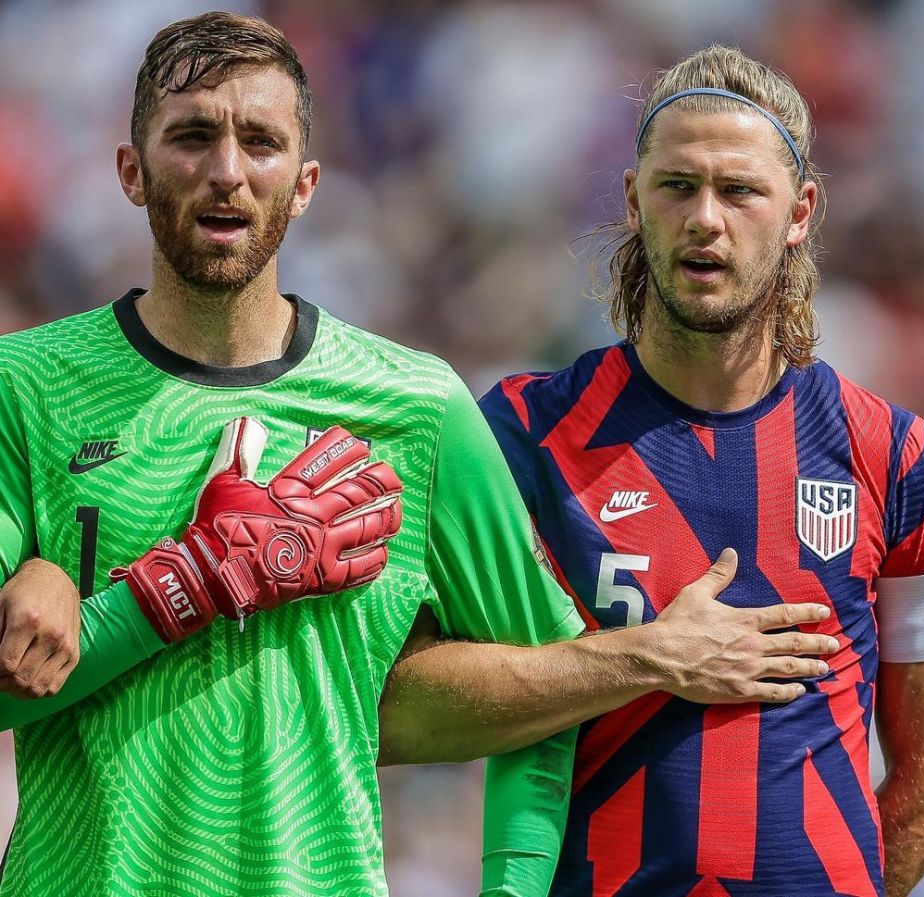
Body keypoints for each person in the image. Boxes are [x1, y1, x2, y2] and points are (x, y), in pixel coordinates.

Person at [0, 16, 840, 897]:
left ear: (305, 184)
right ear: (130, 171)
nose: (227, 171)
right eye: (192, 136)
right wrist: (183, 585)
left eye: (261, 142)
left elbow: (547, 700)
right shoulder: (24, 387)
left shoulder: (418, 404)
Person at [455, 45, 924, 897]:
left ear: (800, 210)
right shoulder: (522, 433)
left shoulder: (903, 459)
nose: (706, 217)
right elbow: (404, 701)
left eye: (739, 190)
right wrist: (648, 658)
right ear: (633, 200)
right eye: (677, 186)